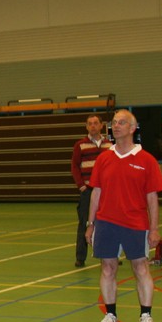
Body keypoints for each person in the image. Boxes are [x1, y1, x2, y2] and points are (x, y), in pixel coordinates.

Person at [86, 109, 162, 322]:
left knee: (141, 267)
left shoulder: (147, 160)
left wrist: (154, 229)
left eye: (121, 122)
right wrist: (90, 224)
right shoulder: (103, 158)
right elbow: (96, 193)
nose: (116, 126)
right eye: (114, 123)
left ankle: (146, 316)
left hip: (135, 223)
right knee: (107, 268)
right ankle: (110, 315)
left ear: (132, 128)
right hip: (106, 223)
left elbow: (152, 198)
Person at [70, 115, 112, 268]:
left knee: (109, 223)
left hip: (106, 191)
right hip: (88, 190)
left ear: (101, 125)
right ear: (86, 127)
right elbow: (75, 166)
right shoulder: (80, 145)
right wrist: (81, 185)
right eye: (90, 124)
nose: (93, 126)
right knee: (84, 223)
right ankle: (80, 257)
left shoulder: (109, 145)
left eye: (95, 123)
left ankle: (110, 254)